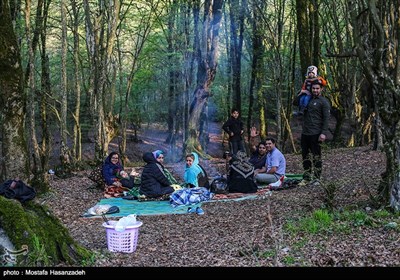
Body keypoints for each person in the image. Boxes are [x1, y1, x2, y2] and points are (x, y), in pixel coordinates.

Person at [299, 79, 330, 186]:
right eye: (313, 88)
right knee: (305, 156)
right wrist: (302, 93)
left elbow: (326, 119)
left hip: (316, 133)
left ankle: (317, 178)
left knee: (316, 156)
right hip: (305, 132)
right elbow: (295, 103)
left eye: (317, 88)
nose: (315, 90)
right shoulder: (307, 99)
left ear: (321, 89)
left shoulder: (324, 102)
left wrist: (323, 133)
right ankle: (307, 177)